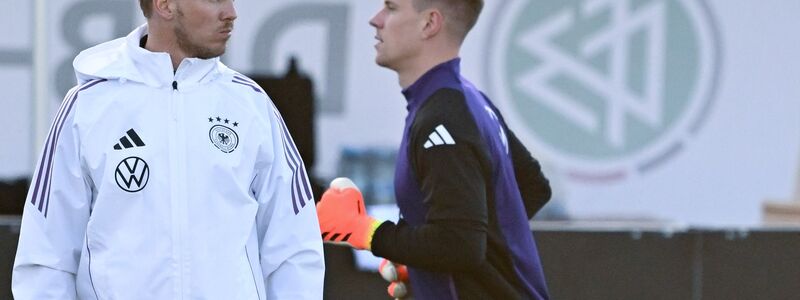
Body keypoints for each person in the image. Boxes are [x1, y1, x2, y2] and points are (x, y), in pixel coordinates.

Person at [12, 0, 325, 299]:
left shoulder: (251, 105)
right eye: (214, 0)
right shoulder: (88, 105)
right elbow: (45, 255)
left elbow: (295, 246)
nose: (231, 13)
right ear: (164, 5)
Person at [316, 0, 552, 299]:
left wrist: (365, 230)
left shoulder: (443, 116)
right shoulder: (467, 100)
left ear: (429, 24)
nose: (376, 19)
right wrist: (422, 256)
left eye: (391, 8)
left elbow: (459, 244)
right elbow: (529, 189)